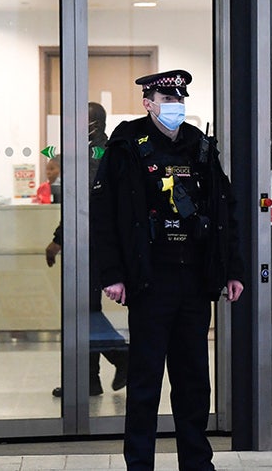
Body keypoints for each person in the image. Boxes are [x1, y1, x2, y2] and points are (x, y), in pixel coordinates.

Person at [91, 70, 245, 471]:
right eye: (166, 97)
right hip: (150, 280)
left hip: (194, 280)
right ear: (148, 102)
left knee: (193, 380)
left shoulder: (199, 146)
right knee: (144, 382)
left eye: (180, 97)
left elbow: (225, 211)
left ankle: (197, 463)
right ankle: (139, 463)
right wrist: (111, 274)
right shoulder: (126, 145)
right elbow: (104, 216)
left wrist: (232, 269)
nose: (175, 104)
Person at [45, 102, 129, 397]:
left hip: (91, 244)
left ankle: (121, 356)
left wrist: (59, 239)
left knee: (84, 310)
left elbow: (83, 203)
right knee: (86, 309)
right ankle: (89, 380)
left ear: (93, 123)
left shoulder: (94, 155)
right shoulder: (97, 150)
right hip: (93, 242)